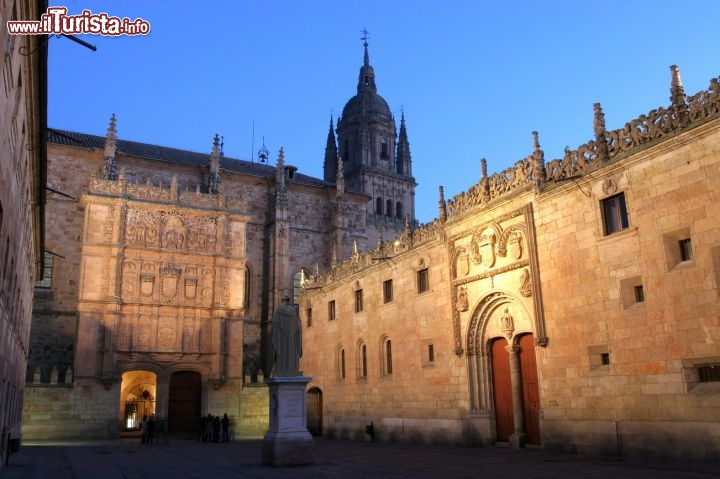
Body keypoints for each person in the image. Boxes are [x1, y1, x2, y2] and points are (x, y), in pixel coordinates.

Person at [271, 296, 302, 376]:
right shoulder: (294, 313)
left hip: (282, 341)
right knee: (292, 353)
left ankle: (282, 368)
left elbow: (274, 324)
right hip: (293, 342)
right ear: (289, 301)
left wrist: (276, 338)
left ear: (283, 301)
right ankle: (293, 368)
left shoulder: (278, 312)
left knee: (282, 353)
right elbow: (298, 327)